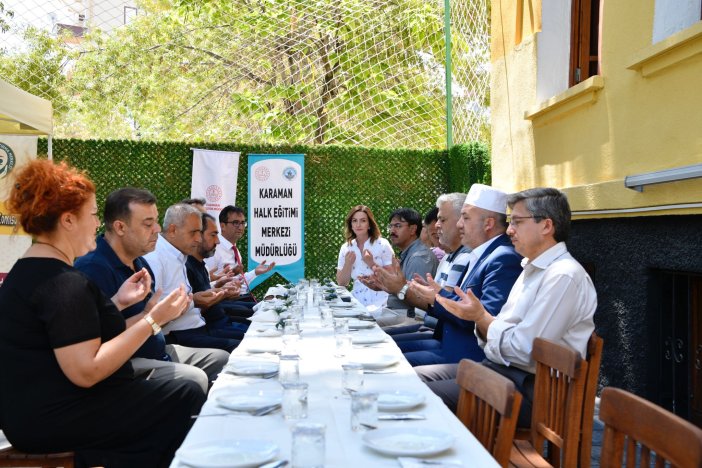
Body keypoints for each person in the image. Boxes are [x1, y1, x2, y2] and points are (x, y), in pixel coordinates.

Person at [0, 160, 204, 467]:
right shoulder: (62, 283)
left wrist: (121, 304)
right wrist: (154, 320)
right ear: (68, 220)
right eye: (93, 215)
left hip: (37, 414)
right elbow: (87, 371)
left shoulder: (30, 270)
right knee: (183, 393)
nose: (98, 224)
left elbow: (74, 335)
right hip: (54, 418)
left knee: (179, 390)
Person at [417, 187, 597, 426]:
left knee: (421, 397)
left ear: (546, 226)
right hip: (503, 372)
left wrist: (482, 319)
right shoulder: (531, 268)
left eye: (517, 222)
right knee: (412, 379)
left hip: (534, 390)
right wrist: (484, 322)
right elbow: (501, 335)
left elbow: (523, 350)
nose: (509, 230)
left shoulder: (563, 275)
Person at [75, 188, 229, 394]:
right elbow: (95, 339)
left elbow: (149, 318)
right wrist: (156, 317)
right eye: (148, 224)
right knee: (194, 379)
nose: (157, 229)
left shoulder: (140, 263)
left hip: (156, 349)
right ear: (120, 227)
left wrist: (164, 313)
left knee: (222, 358)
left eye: (156, 221)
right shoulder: (93, 268)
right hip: (125, 362)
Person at [390, 185, 523, 366]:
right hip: (449, 347)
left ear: (488, 224)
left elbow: (486, 320)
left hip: (468, 358)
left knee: (393, 364)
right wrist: (433, 295)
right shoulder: (481, 253)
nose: (459, 224)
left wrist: (437, 297)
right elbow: (462, 304)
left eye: (465, 217)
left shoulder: (503, 258)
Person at [143, 203, 240, 352]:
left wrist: (206, 294)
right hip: (177, 337)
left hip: (197, 329)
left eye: (200, 232)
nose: (198, 239)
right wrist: (194, 301)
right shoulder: (155, 258)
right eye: (194, 232)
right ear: (173, 230)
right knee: (242, 348)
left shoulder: (178, 254)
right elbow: (153, 315)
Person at [382, 193, 470, 341]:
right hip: (430, 326)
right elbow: (440, 298)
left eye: (442, 220)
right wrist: (390, 285)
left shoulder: (421, 257)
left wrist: (400, 288)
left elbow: (444, 305)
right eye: (391, 226)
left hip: (426, 325)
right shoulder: (448, 257)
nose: (437, 225)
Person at [357, 208, 438, 327]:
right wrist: (382, 285)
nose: (392, 230)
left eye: (398, 226)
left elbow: (417, 299)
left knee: (360, 326)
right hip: (396, 312)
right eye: (391, 226)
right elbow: (402, 289)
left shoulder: (419, 257)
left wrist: (377, 270)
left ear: (413, 229)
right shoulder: (410, 253)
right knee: (355, 318)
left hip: (409, 317)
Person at [186, 212, 253, 334]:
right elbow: (196, 309)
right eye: (213, 235)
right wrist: (222, 292)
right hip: (209, 327)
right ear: (197, 237)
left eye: (243, 223)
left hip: (221, 318)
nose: (217, 241)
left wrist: (221, 287)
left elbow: (205, 292)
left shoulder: (201, 264)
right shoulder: (185, 266)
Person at [205, 205, 275, 301]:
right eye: (235, 223)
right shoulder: (213, 249)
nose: (240, 227)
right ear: (222, 226)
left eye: (243, 223)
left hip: (240, 297)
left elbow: (239, 282)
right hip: (223, 301)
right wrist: (222, 283)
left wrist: (255, 272)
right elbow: (205, 285)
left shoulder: (234, 249)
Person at [336, 205, 394, 308]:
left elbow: (392, 278)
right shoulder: (346, 247)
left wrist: (371, 263)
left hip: (382, 301)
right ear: (351, 225)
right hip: (357, 301)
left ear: (369, 224)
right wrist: (348, 264)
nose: (358, 224)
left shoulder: (382, 244)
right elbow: (342, 283)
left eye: (363, 221)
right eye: (354, 221)